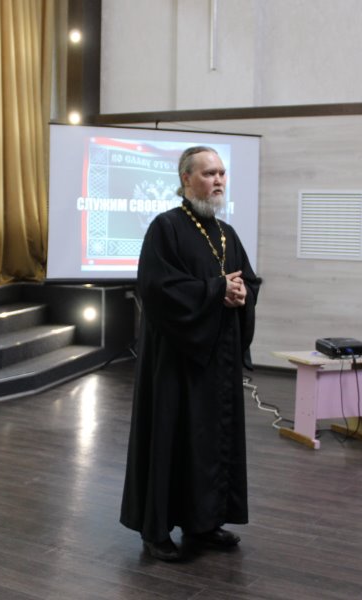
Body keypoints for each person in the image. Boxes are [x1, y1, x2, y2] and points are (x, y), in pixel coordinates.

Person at [120, 146, 260, 562]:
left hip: (216, 362)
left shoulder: (226, 232)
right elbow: (157, 288)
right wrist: (217, 290)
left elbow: (249, 281)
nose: (218, 181)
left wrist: (241, 294)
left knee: (211, 442)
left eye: (221, 173)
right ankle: (156, 530)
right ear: (186, 179)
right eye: (208, 173)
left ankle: (204, 522)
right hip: (176, 360)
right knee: (172, 439)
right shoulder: (166, 228)